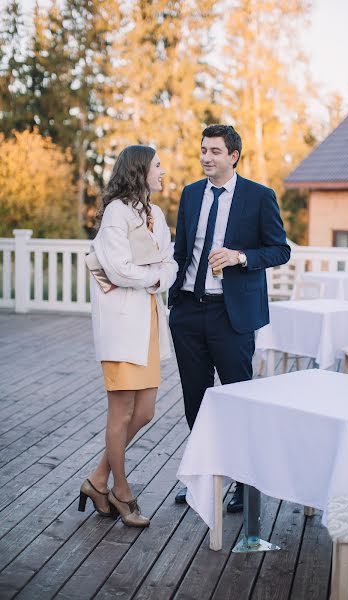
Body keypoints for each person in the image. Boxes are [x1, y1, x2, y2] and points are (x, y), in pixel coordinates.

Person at [169, 125, 291, 511]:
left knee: (237, 398)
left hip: (231, 315)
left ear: (233, 156)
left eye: (215, 151)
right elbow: (181, 251)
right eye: (203, 150)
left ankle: (242, 482)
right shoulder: (190, 195)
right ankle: (204, 479)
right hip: (188, 311)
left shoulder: (259, 196)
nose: (207, 157)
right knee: (196, 401)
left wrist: (240, 257)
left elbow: (279, 250)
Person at [79, 145, 178, 527]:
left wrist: (156, 275)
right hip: (121, 325)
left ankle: (97, 479)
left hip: (150, 321)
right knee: (120, 413)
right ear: (140, 170)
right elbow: (118, 270)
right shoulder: (115, 215)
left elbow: (170, 261)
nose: (163, 171)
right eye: (157, 165)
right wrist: (155, 277)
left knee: (146, 410)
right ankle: (122, 491)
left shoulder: (156, 214)